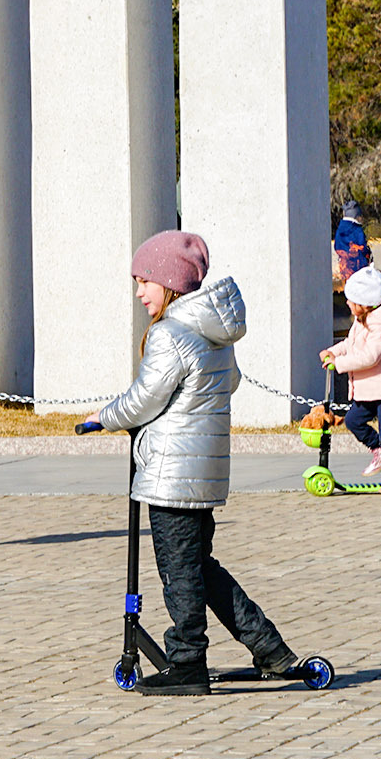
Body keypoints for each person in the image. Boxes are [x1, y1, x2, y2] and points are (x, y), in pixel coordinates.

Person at [86, 230, 309, 696]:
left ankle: (187, 659)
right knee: (201, 567)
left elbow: (144, 399)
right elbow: (229, 385)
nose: (138, 292)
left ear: (168, 281)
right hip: (202, 473)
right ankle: (269, 648)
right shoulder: (213, 333)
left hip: (172, 477)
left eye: (144, 280)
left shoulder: (170, 333)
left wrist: (102, 418)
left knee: (179, 572)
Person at [320, 266, 381, 495]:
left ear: (365, 303)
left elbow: (370, 357)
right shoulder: (361, 320)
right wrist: (332, 352)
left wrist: (340, 364)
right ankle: (379, 450)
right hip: (369, 388)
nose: (348, 305)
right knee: (353, 420)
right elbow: (351, 345)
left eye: (351, 301)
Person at [333, 201, 372, 281]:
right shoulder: (357, 230)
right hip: (358, 268)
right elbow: (363, 248)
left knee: (348, 289)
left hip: (344, 269)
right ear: (355, 215)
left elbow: (337, 247)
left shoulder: (340, 230)